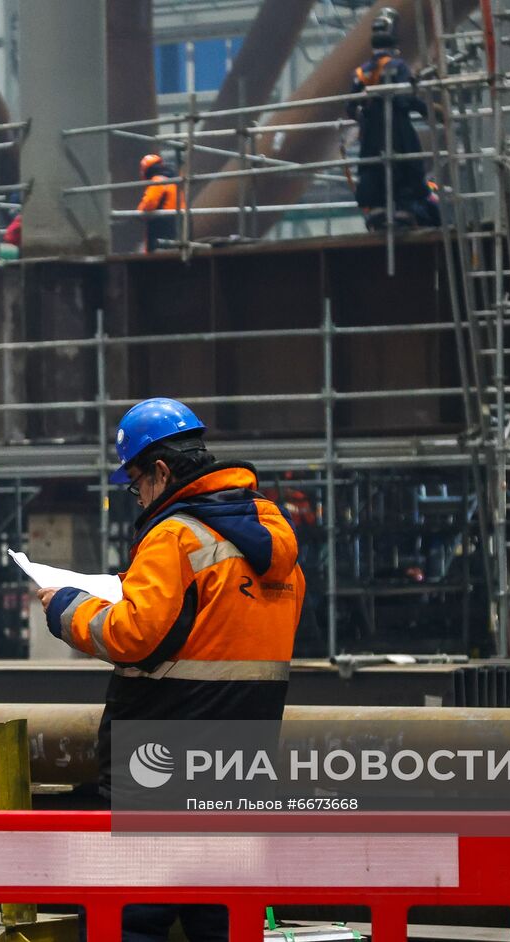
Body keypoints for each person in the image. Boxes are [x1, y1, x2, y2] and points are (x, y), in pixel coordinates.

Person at [38, 397, 303, 942]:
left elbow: (130, 635)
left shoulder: (174, 536)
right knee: (223, 920)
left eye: (135, 484)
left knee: (128, 919)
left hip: (158, 767)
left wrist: (65, 607)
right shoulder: (277, 546)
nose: (137, 496)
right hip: (241, 767)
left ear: (160, 471)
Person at [345, 7, 437, 231]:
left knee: (371, 165)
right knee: (407, 162)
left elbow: (350, 106)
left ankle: (376, 210)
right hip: (397, 126)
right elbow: (406, 97)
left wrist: (363, 120)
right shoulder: (399, 67)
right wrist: (429, 112)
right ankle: (404, 210)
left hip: (372, 131)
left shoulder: (362, 71)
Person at [136, 154, 181, 251]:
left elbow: (149, 203)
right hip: (177, 225)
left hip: (163, 227)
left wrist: (138, 213)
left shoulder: (158, 180)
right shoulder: (174, 181)